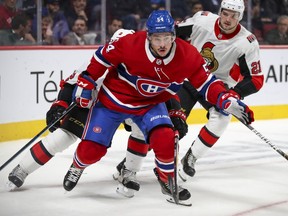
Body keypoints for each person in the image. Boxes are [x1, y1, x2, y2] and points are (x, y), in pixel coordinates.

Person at [61, 9, 253, 205]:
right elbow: (101, 57)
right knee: (92, 151)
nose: (162, 44)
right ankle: (78, 165)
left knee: (165, 138)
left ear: (174, 36)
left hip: (150, 104)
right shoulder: (129, 44)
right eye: (157, 38)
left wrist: (224, 98)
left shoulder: (187, 55)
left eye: (167, 37)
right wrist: (87, 80)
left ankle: (168, 181)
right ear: (148, 36)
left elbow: (207, 83)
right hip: (113, 100)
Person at [113, 0, 264, 195]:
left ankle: (191, 158)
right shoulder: (202, 21)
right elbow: (172, 34)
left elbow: (256, 80)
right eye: (225, 13)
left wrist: (233, 94)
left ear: (240, 17)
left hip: (216, 86)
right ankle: (129, 164)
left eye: (233, 16)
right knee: (169, 124)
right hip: (188, 77)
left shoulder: (248, 42)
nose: (228, 19)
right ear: (220, 12)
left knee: (221, 119)